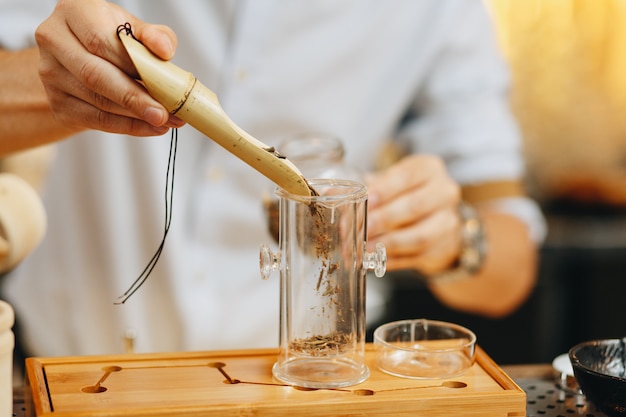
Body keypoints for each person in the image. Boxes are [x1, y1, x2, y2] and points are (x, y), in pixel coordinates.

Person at [0, 0, 545, 358]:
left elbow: (510, 264)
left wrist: (452, 239)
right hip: (70, 367)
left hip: (305, 378)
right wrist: (57, 85)